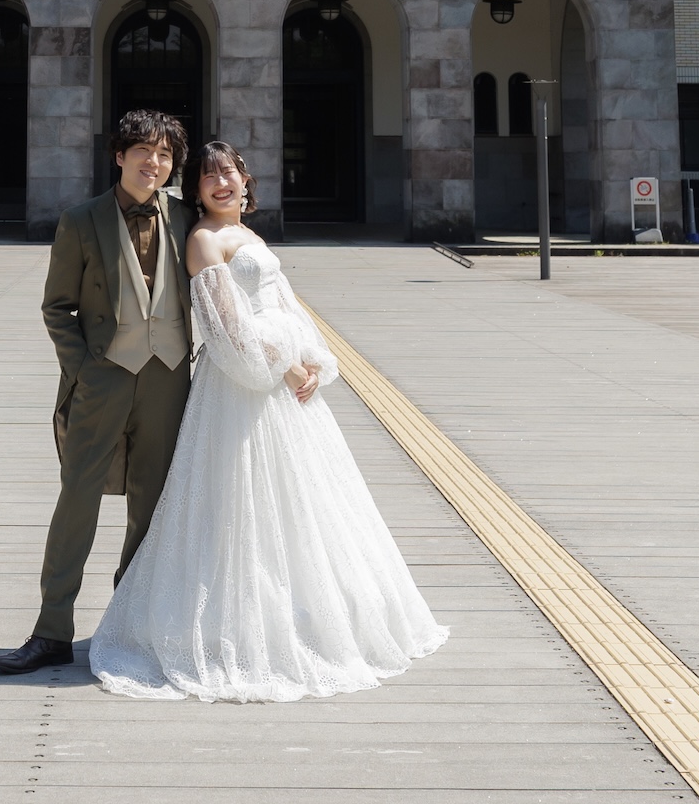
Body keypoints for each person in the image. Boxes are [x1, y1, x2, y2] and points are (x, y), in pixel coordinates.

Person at [87, 138, 447, 701]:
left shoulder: (250, 235)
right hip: (240, 390)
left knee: (300, 507)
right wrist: (281, 366)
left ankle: (306, 618)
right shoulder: (204, 241)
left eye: (229, 172)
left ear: (246, 180)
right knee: (236, 506)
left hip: (285, 386)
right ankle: (229, 629)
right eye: (208, 177)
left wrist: (311, 360)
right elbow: (227, 332)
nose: (221, 183)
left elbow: (285, 306)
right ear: (195, 188)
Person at [0, 108, 196, 676]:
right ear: (120, 155)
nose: (153, 163)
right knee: (76, 499)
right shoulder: (81, 220)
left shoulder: (187, 218)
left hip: (169, 377)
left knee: (151, 508)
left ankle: (130, 626)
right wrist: (84, 369)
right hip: (103, 375)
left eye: (164, 155)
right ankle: (51, 630)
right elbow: (58, 307)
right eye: (143, 151)